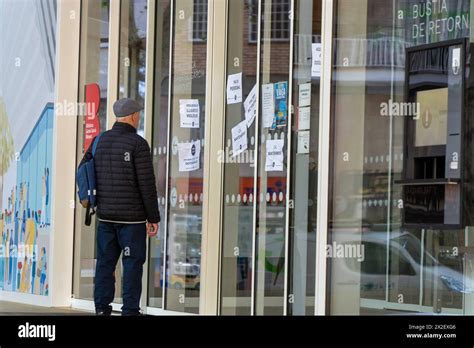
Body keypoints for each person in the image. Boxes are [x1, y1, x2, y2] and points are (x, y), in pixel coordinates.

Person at [79, 98, 160, 316]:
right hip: (131, 221)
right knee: (132, 264)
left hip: (105, 218)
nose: (139, 117)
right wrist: (153, 218)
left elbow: (83, 171)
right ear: (133, 116)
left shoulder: (98, 141)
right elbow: (147, 184)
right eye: (138, 114)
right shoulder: (138, 144)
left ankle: (101, 309)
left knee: (105, 264)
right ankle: (130, 311)